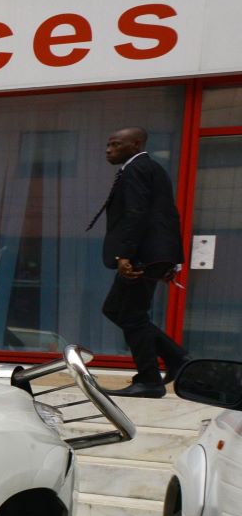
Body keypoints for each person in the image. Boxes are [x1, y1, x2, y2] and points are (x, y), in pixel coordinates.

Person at [91, 127, 186, 398]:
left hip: (140, 257)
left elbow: (136, 214)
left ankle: (149, 380)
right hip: (151, 254)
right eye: (108, 144)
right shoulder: (150, 169)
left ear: (134, 144)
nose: (109, 149)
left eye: (116, 144)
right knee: (115, 309)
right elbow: (166, 215)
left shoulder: (136, 170)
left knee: (131, 316)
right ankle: (177, 358)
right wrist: (171, 259)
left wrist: (125, 255)